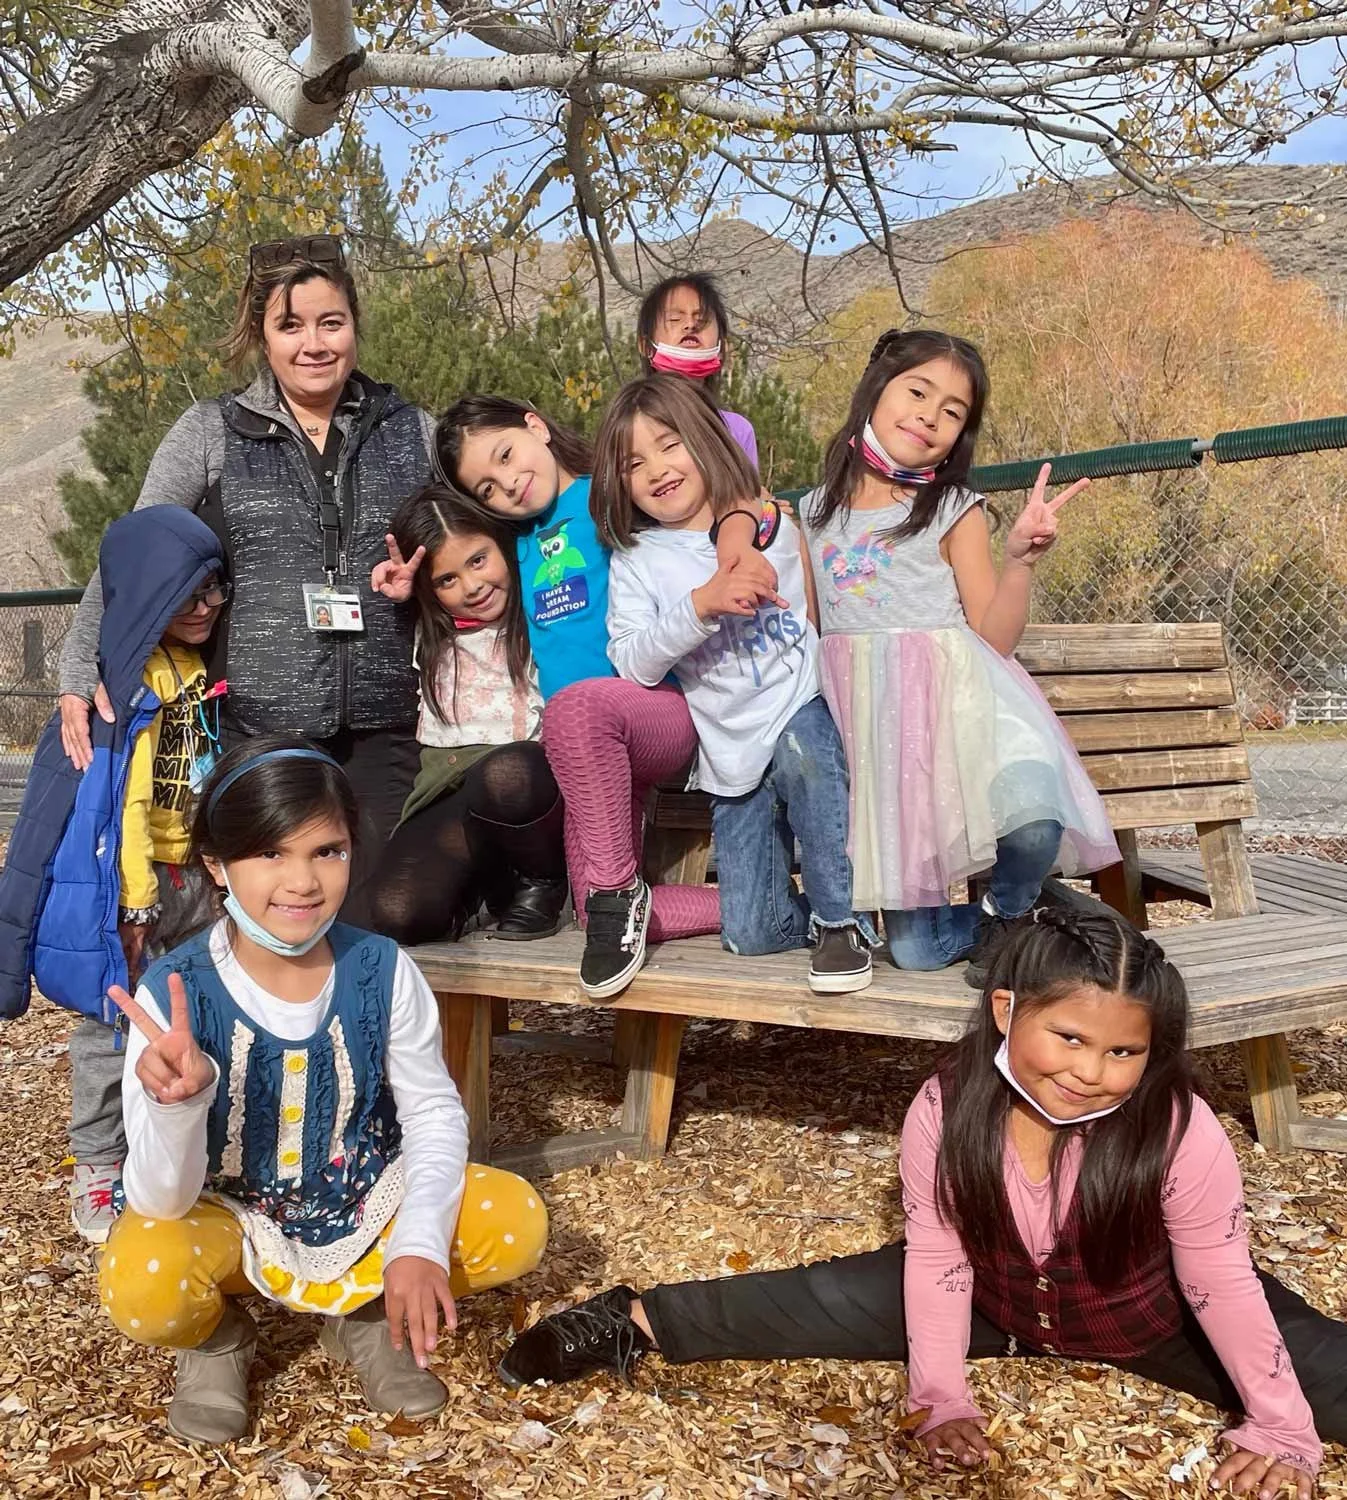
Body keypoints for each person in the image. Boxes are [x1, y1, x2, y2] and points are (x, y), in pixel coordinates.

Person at [497, 907, 1345, 1499]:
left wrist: (1279, 1425)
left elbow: (1219, 1282)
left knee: (1316, 1376)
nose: (1091, 1071)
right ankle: (634, 1320)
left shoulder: (1177, 1126)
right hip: (991, 1298)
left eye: (1124, 1050)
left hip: (1151, 1316)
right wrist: (940, 1395)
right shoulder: (946, 1104)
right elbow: (939, 1258)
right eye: (1071, 1038)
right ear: (1006, 1011)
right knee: (818, 1298)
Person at [99, 739, 549, 1445]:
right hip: (227, 1221)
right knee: (143, 1278)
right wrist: (179, 1105)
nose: (303, 882)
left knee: (512, 1220)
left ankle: (368, 1312)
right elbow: (162, 1200)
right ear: (217, 865)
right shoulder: (173, 998)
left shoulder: (382, 969)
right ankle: (218, 1341)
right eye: (270, 855)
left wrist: (418, 1245)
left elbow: (432, 1110)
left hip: (357, 1204)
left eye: (327, 851)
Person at [55, 235, 434, 922]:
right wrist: (80, 666)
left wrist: (428, 575)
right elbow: (135, 556)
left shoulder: (412, 431)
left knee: (371, 912)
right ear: (262, 336)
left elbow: (478, 543)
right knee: (278, 913)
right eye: (290, 325)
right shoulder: (211, 431)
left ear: (354, 327)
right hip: (263, 726)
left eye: (330, 322)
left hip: (386, 726)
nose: (313, 344)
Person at [433, 396, 778, 999]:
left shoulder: (609, 496)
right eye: (486, 487)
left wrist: (744, 538)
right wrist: (403, 588)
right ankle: (756, 900)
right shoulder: (515, 539)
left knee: (581, 708)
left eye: (507, 455)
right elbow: (450, 553)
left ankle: (622, 892)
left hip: (658, 710)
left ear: (535, 424)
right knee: (595, 913)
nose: (509, 484)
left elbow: (726, 499)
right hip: (582, 751)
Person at [801, 328, 1119, 974]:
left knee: (1033, 818)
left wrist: (1018, 563)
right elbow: (812, 637)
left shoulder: (951, 508)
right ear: (874, 390)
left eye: (952, 411)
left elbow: (993, 637)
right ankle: (1025, 919)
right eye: (917, 392)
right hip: (884, 754)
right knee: (916, 953)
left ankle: (1011, 911)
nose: (930, 416)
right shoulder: (811, 514)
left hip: (965, 720)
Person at [594, 374, 876, 993]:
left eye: (670, 445)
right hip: (729, 749)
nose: (657, 469)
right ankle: (820, 917)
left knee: (805, 758)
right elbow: (633, 662)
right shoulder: (638, 560)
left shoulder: (766, 518)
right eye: (633, 462)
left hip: (801, 702)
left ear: (704, 439)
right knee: (750, 933)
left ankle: (839, 920)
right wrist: (701, 605)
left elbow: (818, 602)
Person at [0, 507, 227, 1243]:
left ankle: (193, 1153)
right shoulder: (120, 692)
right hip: (134, 886)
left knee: (198, 1014)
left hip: (197, 875)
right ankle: (100, 1167)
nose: (204, 608)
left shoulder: (201, 670)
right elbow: (120, 809)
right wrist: (131, 903)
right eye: (187, 595)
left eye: (214, 591)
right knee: (108, 1028)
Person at [366, 485, 567, 943]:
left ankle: (544, 882)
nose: (472, 587)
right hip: (449, 786)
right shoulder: (424, 627)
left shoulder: (543, 603)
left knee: (507, 774)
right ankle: (484, 885)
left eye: (478, 560)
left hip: (531, 792)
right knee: (397, 912)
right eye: (446, 580)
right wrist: (395, 602)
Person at [635, 271, 759, 468]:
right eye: (675, 319)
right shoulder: (629, 425)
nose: (691, 325)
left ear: (722, 347)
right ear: (645, 346)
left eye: (702, 321)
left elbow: (747, 496)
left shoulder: (738, 431)